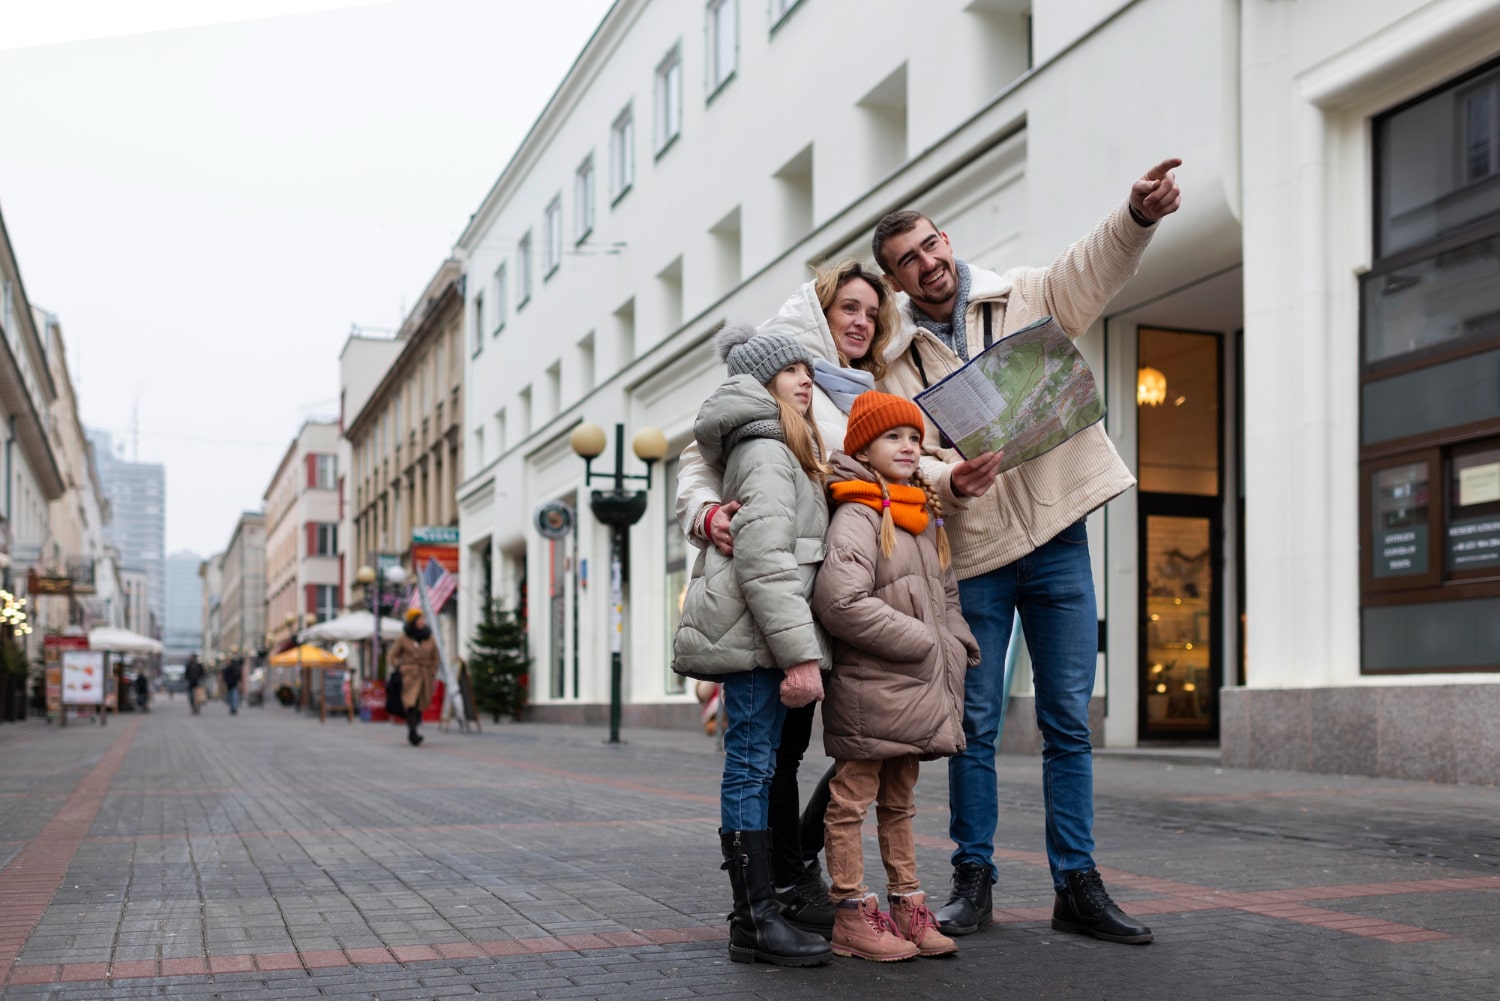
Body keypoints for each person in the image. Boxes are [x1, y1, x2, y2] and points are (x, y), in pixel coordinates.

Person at [869, 159, 1183, 945]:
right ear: (896, 279)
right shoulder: (899, 364)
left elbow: (1093, 262)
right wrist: (950, 477)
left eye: (931, 245)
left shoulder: (1023, 295)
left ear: (947, 240)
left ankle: (1076, 883)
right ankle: (972, 880)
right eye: (908, 260)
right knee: (974, 725)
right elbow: (907, 453)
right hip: (974, 554)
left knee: (1066, 721)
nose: (928, 262)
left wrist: (1137, 215)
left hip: (1058, 540)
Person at [674, 260, 899, 936]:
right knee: (762, 757)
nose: (861, 320)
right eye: (848, 308)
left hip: (825, 603)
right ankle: (766, 898)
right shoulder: (771, 426)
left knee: (806, 748)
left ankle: (781, 880)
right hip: (784, 618)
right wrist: (706, 513)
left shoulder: (856, 390)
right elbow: (747, 527)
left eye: (871, 311)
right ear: (820, 315)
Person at [671, 322, 834, 968]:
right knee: (751, 766)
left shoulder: (777, 444)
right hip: (760, 641)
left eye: (808, 370)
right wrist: (800, 655)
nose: (806, 380)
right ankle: (754, 918)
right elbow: (766, 561)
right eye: (792, 369)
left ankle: (758, 913)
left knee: (757, 765)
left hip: (759, 636)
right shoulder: (766, 447)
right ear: (761, 380)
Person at [811, 392, 980, 962]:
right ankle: (853, 911)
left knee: (901, 800)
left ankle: (908, 904)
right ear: (863, 447)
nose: (908, 446)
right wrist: (922, 641)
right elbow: (839, 600)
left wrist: (955, 643)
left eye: (914, 437)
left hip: (914, 687)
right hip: (872, 687)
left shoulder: (922, 514)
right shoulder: (858, 512)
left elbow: (947, 596)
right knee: (852, 797)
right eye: (893, 437)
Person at [389, 608, 439, 746]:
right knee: (412, 703)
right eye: (419, 620)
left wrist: (432, 671)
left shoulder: (429, 638)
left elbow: (436, 657)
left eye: (423, 620)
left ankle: (414, 729)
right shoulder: (404, 638)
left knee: (421, 704)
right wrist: (400, 667)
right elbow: (393, 655)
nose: (422, 622)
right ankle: (413, 733)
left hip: (425, 675)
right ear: (413, 622)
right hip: (409, 676)